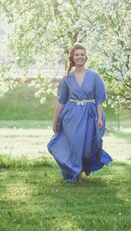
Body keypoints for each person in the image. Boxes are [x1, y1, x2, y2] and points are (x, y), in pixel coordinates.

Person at [48, 44, 112, 183]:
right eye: (77, 54)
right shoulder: (67, 78)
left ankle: (87, 165)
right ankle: (76, 173)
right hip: (72, 115)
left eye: (82, 54)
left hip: (90, 114)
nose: (79, 57)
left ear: (86, 57)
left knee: (89, 146)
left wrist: (100, 118)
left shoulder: (94, 76)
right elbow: (61, 101)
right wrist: (55, 120)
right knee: (76, 144)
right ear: (72, 57)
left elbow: (99, 100)